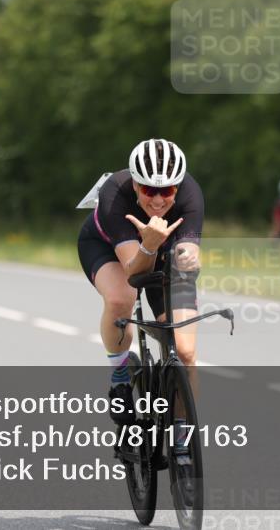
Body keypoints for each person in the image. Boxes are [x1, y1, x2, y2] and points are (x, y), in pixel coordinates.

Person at [77, 139, 202, 433]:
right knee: (122, 298)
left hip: (162, 252)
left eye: (167, 191)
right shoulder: (114, 194)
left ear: (178, 186)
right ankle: (120, 375)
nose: (158, 201)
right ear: (134, 184)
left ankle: (182, 434)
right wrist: (149, 245)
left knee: (184, 351)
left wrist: (187, 258)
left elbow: (189, 250)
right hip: (109, 248)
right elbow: (133, 270)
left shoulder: (191, 193)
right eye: (148, 190)